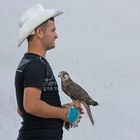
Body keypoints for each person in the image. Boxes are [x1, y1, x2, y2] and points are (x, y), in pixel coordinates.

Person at [15, 4, 83, 140]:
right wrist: (63, 113)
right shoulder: (35, 65)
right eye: (53, 30)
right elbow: (31, 105)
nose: (56, 35)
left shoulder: (30, 62)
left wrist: (60, 110)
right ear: (40, 32)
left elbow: (22, 108)